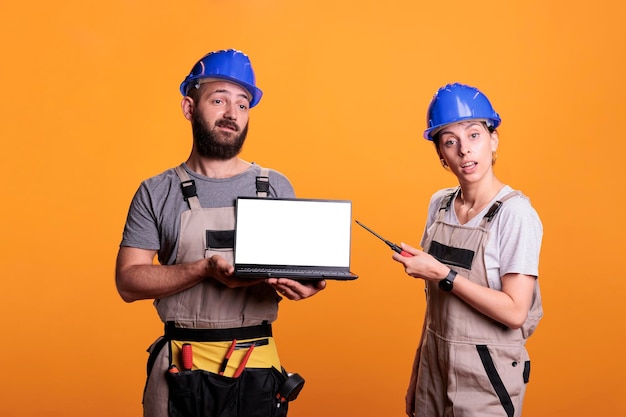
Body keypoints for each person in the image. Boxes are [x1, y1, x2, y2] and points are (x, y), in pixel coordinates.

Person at [115, 49, 326, 417]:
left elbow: (296, 270)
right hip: (181, 364)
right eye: (218, 100)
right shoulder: (156, 190)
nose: (232, 114)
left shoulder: (274, 186)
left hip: (256, 363)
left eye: (243, 105)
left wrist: (306, 284)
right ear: (189, 108)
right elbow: (128, 282)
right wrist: (203, 269)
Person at [392, 83, 543, 417]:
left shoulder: (515, 214)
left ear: (494, 139)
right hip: (434, 370)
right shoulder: (440, 205)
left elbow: (515, 311)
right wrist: (418, 375)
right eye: (450, 141)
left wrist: (444, 274)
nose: (464, 150)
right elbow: (436, 310)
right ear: (441, 155)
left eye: (474, 135)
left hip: (485, 378)